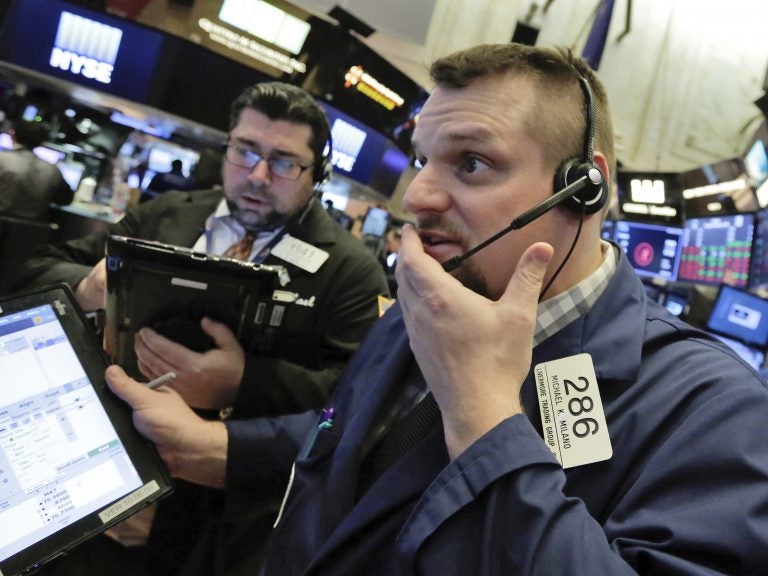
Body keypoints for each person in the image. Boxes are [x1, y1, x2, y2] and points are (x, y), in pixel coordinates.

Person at [104, 43, 768, 575]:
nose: (419, 194)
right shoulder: (431, 303)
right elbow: (343, 437)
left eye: (471, 163)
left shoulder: (715, 411)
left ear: (583, 188)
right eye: (424, 160)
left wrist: (486, 422)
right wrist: (219, 446)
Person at [17, 82, 389, 574]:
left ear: (317, 172)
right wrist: (87, 289)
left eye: (283, 161)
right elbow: (38, 273)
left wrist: (243, 382)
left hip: (220, 510)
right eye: (245, 151)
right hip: (99, 461)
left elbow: (353, 399)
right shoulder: (167, 214)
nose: (257, 175)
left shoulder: (350, 269)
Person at [0, 117, 74, 220]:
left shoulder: (2, 159)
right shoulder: (52, 170)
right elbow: (66, 200)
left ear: (12, 135)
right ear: (42, 143)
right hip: (30, 232)